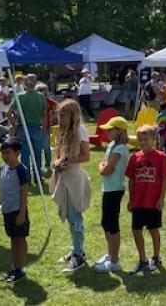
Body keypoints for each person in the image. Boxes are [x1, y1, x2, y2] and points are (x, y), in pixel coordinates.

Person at [51, 99, 91, 271]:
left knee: (75, 217)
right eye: (60, 114)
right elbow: (56, 155)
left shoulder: (80, 131)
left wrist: (69, 160)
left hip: (74, 179)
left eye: (64, 115)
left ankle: (79, 254)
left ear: (73, 115)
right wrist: (57, 164)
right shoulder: (62, 131)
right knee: (69, 215)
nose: (61, 118)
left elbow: (86, 156)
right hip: (63, 178)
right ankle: (75, 249)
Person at [126, 124, 166, 274]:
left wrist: (161, 199)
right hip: (138, 201)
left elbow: (164, 179)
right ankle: (142, 259)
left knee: (153, 230)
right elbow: (131, 180)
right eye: (140, 140)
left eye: (146, 139)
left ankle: (156, 257)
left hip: (152, 202)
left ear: (153, 139)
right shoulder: (134, 158)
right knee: (136, 230)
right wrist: (130, 199)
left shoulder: (161, 157)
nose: (142, 142)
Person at [0, 138, 30, 283]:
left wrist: (21, 213)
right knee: (13, 239)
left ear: (17, 153)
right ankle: (14, 266)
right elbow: (2, 189)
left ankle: (20, 268)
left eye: (8, 153)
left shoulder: (21, 170)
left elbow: (24, 193)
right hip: (7, 211)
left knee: (19, 239)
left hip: (17, 211)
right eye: (3, 153)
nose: (5, 156)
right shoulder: (3, 168)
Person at [95, 116, 131, 273]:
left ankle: (115, 261)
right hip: (108, 189)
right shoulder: (111, 145)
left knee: (112, 225)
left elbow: (106, 169)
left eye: (111, 129)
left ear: (119, 131)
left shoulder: (120, 149)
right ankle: (110, 254)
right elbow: (105, 164)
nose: (107, 132)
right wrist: (103, 165)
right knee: (106, 223)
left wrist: (101, 166)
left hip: (115, 189)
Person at [10, 74, 47, 181]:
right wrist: (44, 126)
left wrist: (14, 124)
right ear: (35, 83)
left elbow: (8, 112)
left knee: (25, 154)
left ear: (24, 84)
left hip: (23, 128)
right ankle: (38, 177)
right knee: (37, 154)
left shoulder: (20, 96)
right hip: (36, 128)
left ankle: (26, 178)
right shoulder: (41, 96)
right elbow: (45, 113)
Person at [37, 83, 58, 176]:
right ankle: (37, 167)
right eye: (42, 91)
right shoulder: (35, 102)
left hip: (46, 128)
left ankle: (48, 165)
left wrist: (51, 117)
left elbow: (57, 110)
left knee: (46, 147)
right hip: (36, 128)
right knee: (36, 148)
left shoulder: (51, 103)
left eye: (45, 91)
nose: (44, 93)